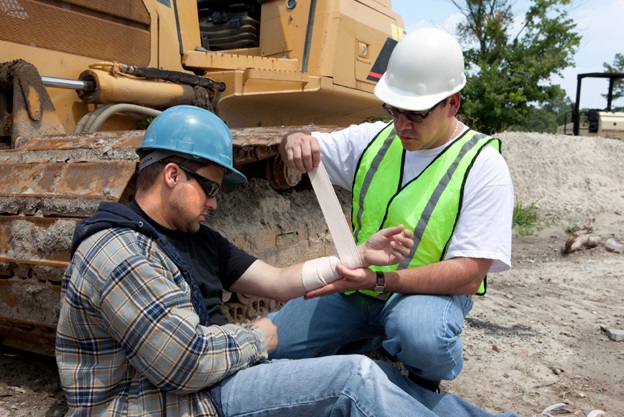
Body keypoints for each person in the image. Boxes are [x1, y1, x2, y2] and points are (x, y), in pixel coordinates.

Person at [55, 105, 520, 417]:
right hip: (171, 402)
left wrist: (355, 257)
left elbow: (277, 281)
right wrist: (261, 335)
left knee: (374, 373)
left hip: (212, 378)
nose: (216, 202)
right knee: (353, 377)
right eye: (211, 187)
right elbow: (184, 364)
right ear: (172, 174)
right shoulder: (119, 250)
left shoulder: (194, 237)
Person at [269, 27, 515, 393]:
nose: (401, 124)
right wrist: (294, 141)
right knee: (276, 348)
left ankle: (421, 375)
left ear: (452, 103)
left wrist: (381, 280)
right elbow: (304, 143)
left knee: (422, 337)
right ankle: (371, 340)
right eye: (394, 110)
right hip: (357, 289)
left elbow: (468, 273)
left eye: (415, 114)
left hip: (423, 298)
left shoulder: (483, 166)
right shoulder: (376, 139)